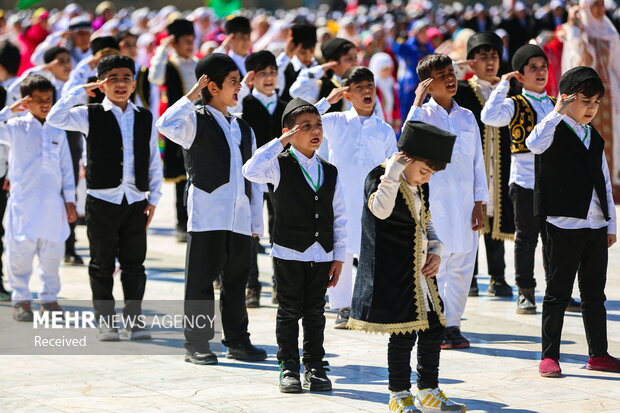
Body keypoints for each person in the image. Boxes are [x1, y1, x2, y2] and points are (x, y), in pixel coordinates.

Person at [156, 53, 266, 365]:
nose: (239, 88)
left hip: (240, 218)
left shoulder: (244, 128)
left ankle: (237, 340)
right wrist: (191, 96)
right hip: (207, 215)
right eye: (234, 82)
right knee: (201, 282)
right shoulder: (193, 121)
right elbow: (165, 124)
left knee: (236, 281)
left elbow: (253, 180)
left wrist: (256, 219)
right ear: (212, 87)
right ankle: (197, 343)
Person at [348, 120, 466, 413]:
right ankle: (399, 394)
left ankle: (428, 390)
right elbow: (380, 210)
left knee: (434, 328)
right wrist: (392, 173)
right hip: (395, 272)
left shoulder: (416, 185)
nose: (425, 179)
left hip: (421, 273)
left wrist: (436, 251)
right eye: (424, 171)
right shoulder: (380, 176)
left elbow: (426, 222)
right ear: (406, 158)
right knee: (403, 334)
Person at [47, 55, 163, 341]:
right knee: (102, 264)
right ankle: (105, 321)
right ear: (102, 84)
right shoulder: (90, 113)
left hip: (135, 198)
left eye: (126, 78)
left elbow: (151, 158)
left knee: (134, 264)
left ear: (134, 83)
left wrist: (154, 197)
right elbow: (54, 117)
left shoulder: (144, 116)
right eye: (113, 78)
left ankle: (134, 320)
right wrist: (77, 92)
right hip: (102, 199)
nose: (120, 84)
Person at [242, 97, 347, 393]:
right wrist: (280, 143)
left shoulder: (330, 170)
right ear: (288, 132)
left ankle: (314, 366)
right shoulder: (277, 166)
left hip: (322, 251)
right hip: (289, 251)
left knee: (315, 312)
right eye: (306, 126)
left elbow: (339, 216)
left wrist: (338, 256)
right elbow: (249, 170)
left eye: (318, 125)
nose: (315, 131)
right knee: (289, 311)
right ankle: (288, 366)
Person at [526, 66, 620, 376]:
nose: (591, 108)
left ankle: (598, 354)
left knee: (594, 294)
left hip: (594, 224)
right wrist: (556, 111)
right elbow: (533, 143)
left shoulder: (594, 136)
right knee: (558, 293)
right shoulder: (553, 128)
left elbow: (603, 180)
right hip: (564, 224)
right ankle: (549, 355)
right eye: (585, 101)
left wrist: (610, 223)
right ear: (567, 99)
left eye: (596, 102)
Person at [481, 44, 581, 314]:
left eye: (543, 68)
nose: (540, 73)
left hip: (553, 183)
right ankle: (525, 292)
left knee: (555, 239)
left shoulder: (554, 103)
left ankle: (557, 291)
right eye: (532, 68)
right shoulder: (515, 104)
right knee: (526, 239)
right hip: (524, 182)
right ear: (520, 75)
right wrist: (503, 85)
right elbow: (489, 116)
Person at [406, 54, 488, 350]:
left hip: (465, 204)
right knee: (436, 263)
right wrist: (417, 101)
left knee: (463, 266)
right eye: (442, 75)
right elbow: (406, 141)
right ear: (428, 84)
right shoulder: (423, 115)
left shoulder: (467, 116)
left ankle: (453, 324)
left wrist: (481, 202)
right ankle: (436, 323)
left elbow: (479, 162)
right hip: (435, 205)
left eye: (451, 72)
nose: (450, 79)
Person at [315, 66, 397, 328]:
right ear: (348, 93)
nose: (367, 92)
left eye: (370, 87)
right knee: (341, 251)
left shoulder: (383, 129)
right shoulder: (336, 120)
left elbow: (392, 164)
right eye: (359, 88)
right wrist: (328, 101)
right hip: (339, 196)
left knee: (371, 252)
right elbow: (303, 120)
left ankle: (370, 305)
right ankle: (342, 307)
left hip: (371, 198)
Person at [0, 75, 76, 321]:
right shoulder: (15, 127)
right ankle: (21, 299)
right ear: (26, 101)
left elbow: (67, 167)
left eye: (49, 99)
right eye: (39, 100)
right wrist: (8, 110)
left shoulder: (58, 128)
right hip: (23, 203)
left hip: (53, 204)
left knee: (52, 254)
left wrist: (71, 200)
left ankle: (49, 299)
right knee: (19, 254)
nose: (45, 104)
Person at [454, 33, 515, 298]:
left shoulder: (509, 91)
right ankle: (469, 278)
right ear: (472, 62)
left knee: (497, 218)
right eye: (482, 57)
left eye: (494, 57)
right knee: (472, 220)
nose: (490, 63)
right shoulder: (464, 90)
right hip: (472, 165)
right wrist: (459, 67)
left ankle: (498, 276)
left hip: (500, 166)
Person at [232, 50, 288, 308]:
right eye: (262, 74)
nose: (269, 78)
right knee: (252, 232)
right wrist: (244, 82)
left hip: (280, 178)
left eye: (273, 73)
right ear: (251, 77)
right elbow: (238, 97)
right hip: (251, 178)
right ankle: (252, 285)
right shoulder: (244, 104)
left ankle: (281, 285)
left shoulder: (285, 104)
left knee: (280, 233)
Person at [561, 0, 620, 200]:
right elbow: (577, 61)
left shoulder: (611, 33)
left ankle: (610, 184)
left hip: (610, 94)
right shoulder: (578, 32)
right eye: (596, 4)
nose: (600, 9)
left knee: (612, 138)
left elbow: (616, 66)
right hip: (585, 94)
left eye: (602, 4)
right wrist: (576, 29)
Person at [149, 18, 197, 243]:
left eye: (192, 40)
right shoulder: (169, 64)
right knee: (180, 178)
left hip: (198, 125)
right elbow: (154, 77)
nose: (190, 45)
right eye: (186, 41)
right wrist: (163, 48)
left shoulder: (197, 64)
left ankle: (195, 222)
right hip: (178, 125)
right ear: (175, 43)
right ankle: (181, 223)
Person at [289, 37, 358, 112]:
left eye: (356, 58)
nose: (355, 63)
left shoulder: (364, 83)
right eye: (349, 59)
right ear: (334, 63)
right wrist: (322, 68)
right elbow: (295, 91)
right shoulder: (321, 86)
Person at [277, 23, 318, 103]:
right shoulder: (286, 69)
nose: (308, 56)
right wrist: (286, 54)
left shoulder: (321, 68)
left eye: (312, 51)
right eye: (302, 52)